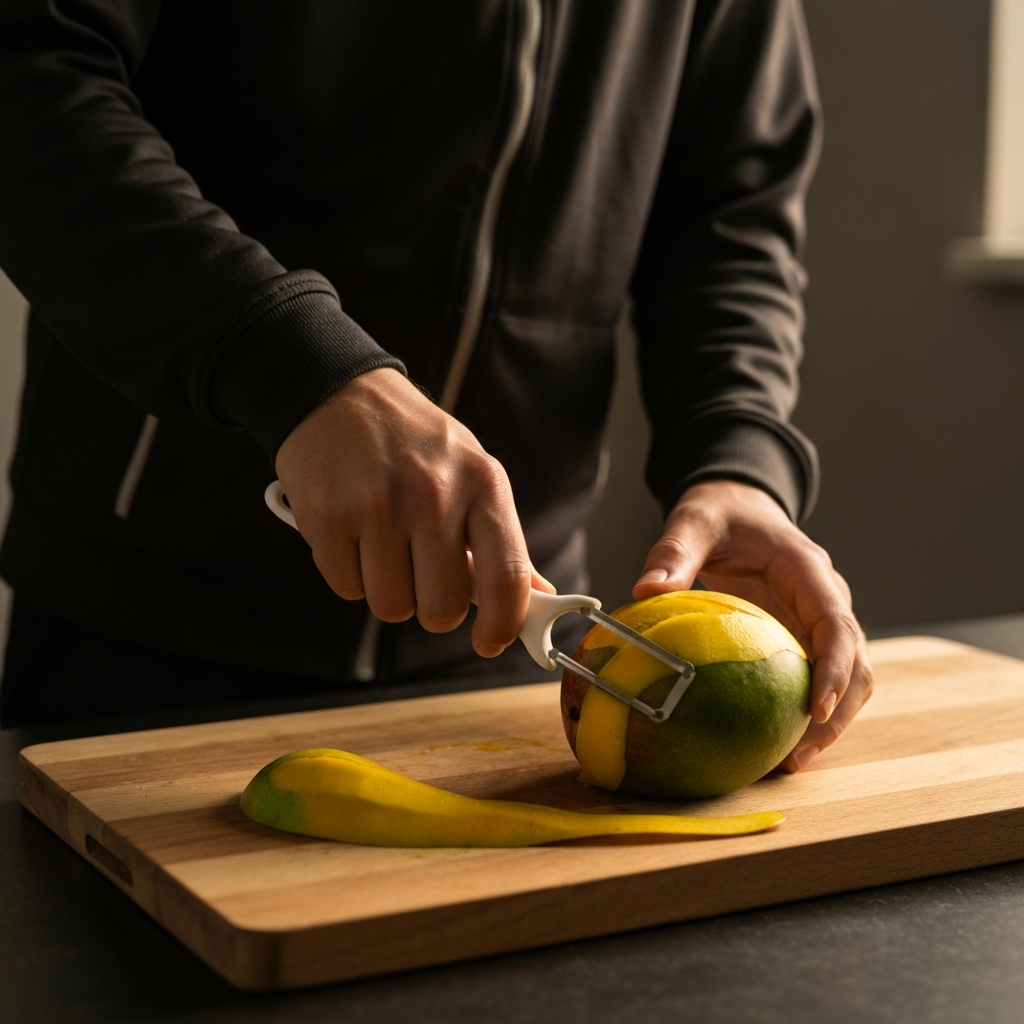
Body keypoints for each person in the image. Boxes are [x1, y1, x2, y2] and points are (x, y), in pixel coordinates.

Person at [0, 0, 871, 769]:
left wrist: (737, 461)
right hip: (143, 630)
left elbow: (729, 218)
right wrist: (297, 365)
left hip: (499, 646)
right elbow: (30, 69)